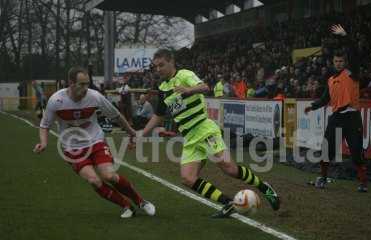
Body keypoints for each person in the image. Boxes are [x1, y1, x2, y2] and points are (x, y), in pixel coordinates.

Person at [137, 49, 280, 217]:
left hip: (204, 129)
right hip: (190, 138)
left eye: (162, 65)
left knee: (230, 169)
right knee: (188, 178)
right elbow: (158, 116)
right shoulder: (162, 88)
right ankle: (228, 204)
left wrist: (188, 90)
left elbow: (204, 87)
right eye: (156, 66)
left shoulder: (184, 74)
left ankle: (265, 188)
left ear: (171, 62)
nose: (159, 69)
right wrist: (142, 133)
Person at [33, 67, 155, 218]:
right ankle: (126, 206)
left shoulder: (95, 97)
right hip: (72, 149)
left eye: (87, 84)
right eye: (81, 84)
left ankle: (141, 201)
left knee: (109, 176)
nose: (86, 88)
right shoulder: (56, 100)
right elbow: (45, 125)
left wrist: (132, 133)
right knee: (94, 180)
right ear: (71, 83)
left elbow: (116, 116)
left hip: (95, 141)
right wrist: (43, 142)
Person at [305, 24, 368, 192]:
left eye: (341, 61)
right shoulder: (331, 79)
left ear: (345, 62)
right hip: (336, 118)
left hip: (352, 118)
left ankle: (363, 183)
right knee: (327, 150)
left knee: (356, 152)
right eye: (336, 61)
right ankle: (323, 178)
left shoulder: (352, 73)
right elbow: (326, 98)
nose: (339, 63)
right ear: (333, 63)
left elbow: (354, 53)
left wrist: (345, 35)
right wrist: (313, 106)